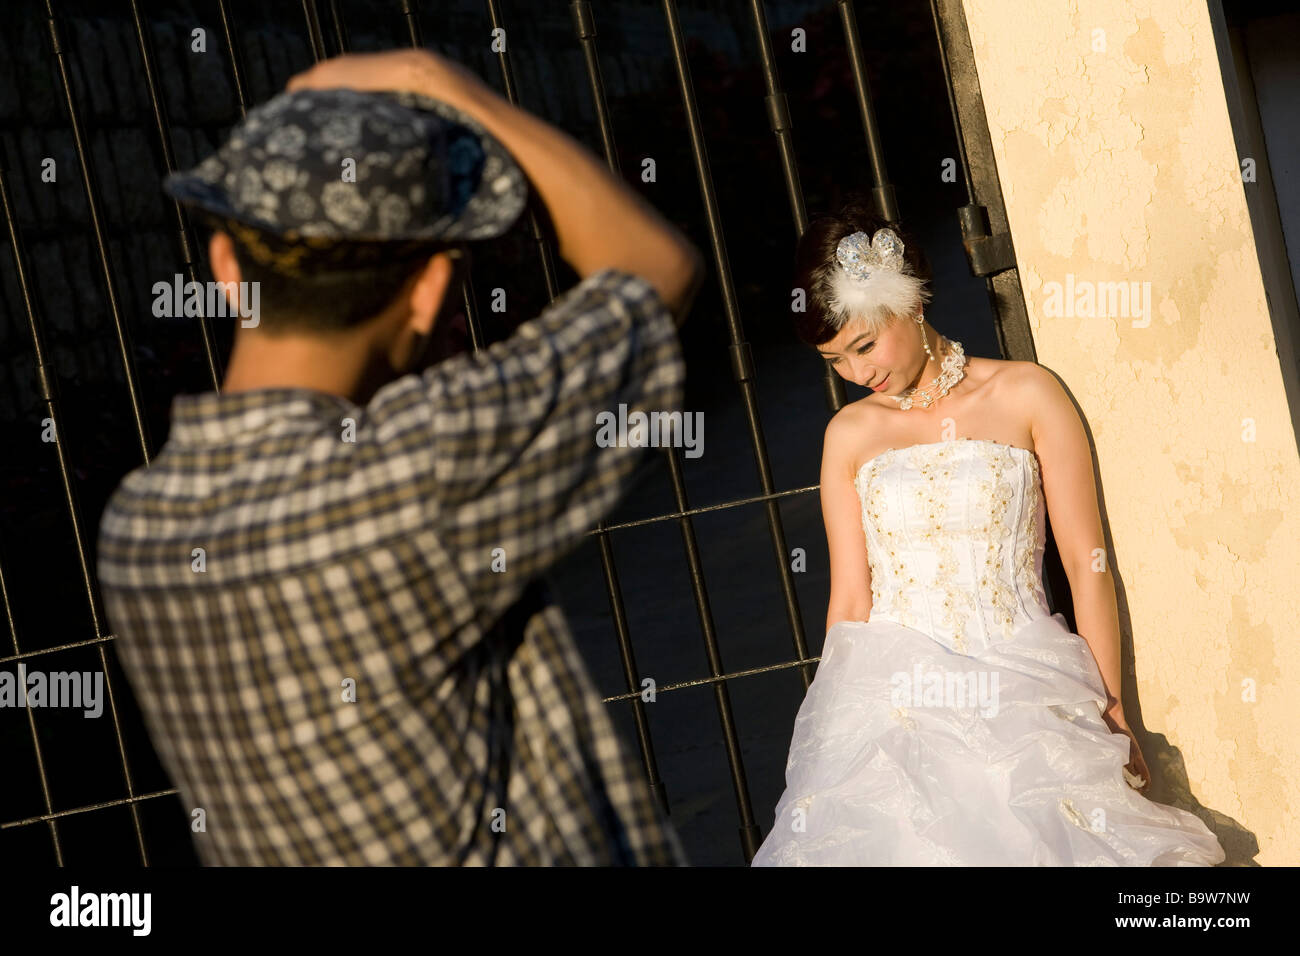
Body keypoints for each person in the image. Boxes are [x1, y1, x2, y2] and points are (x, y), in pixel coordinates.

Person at [96, 48, 704, 865]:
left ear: (225, 267)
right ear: (426, 292)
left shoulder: (136, 529)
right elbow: (655, 272)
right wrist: (434, 80)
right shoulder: (420, 468)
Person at [751, 197, 1225, 865]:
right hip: (900, 704)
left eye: (862, 345)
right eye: (835, 362)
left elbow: (1088, 564)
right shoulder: (848, 436)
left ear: (910, 302)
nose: (859, 374)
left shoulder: (1029, 394)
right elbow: (851, 601)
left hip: (1026, 685)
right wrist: (836, 734)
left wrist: (1112, 703)